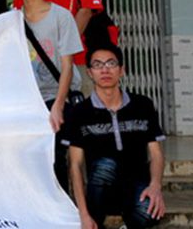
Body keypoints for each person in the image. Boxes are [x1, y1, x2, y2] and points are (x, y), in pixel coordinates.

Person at [64, 44, 166, 229]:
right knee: (105, 165)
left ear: (122, 70)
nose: (105, 70)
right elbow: (75, 165)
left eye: (111, 63)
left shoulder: (143, 105)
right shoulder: (80, 112)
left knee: (149, 212)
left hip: (136, 185)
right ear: (90, 73)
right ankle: (95, 221)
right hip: (100, 191)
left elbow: (156, 154)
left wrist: (155, 186)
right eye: (98, 65)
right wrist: (83, 214)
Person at [12, 0, 82, 193]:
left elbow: (67, 65)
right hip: (27, 100)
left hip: (56, 96)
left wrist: (59, 106)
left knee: (56, 157)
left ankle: (62, 208)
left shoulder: (61, 16)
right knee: (28, 159)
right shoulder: (12, 20)